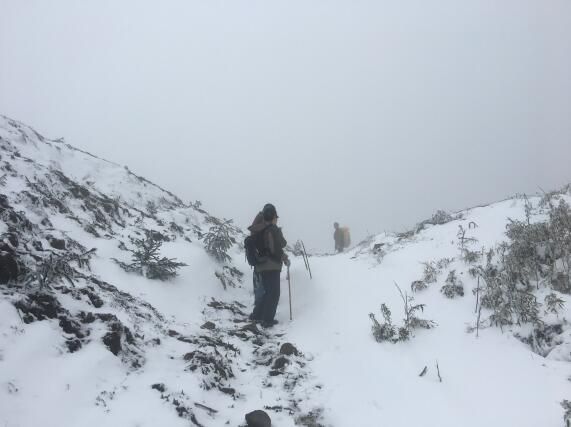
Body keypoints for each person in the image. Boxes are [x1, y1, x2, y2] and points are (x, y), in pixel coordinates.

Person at [251, 203, 289, 328]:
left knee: (267, 293)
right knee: (274, 294)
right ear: (273, 216)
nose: (276, 219)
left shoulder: (259, 228)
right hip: (272, 266)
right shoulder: (273, 229)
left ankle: (257, 315)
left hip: (260, 265)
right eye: (276, 217)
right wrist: (284, 258)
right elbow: (277, 248)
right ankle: (267, 320)